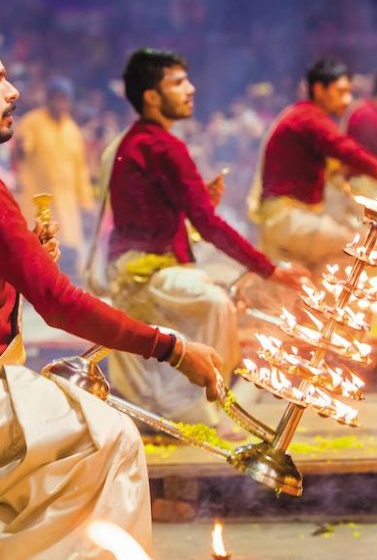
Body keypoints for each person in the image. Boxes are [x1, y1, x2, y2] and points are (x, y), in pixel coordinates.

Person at [0, 57, 225, 558]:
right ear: (151, 95)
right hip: (128, 283)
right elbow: (59, 303)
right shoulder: (150, 143)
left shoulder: (126, 143)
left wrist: (22, 256)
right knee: (115, 439)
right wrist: (171, 347)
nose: (14, 90)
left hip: (124, 269)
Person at [100, 48, 304, 428]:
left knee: (217, 294)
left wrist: (194, 206)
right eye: (178, 83)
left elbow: (158, 217)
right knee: (215, 303)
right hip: (143, 274)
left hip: (143, 266)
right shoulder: (161, 145)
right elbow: (208, 226)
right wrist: (270, 270)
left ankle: (197, 401)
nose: (190, 89)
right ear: (151, 96)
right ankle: (202, 406)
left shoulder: (138, 142)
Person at [250, 58, 377, 268]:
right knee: (361, 246)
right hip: (289, 220)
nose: (347, 99)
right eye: (340, 92)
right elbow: (346, 150)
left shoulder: (305, 115)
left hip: (294, 219)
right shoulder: (309, 118)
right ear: (319, 89)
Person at [12, 76, 94, 279]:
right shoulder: (32, 122)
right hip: (38, 203)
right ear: (48, 100)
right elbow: (22, 151)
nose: (60, 104)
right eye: (56, 99)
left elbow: (80, 170)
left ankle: (68, 297)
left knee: (68, 254)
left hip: (67, 207)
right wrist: (21, 148)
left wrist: (86, 203)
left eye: (64, 99)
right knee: (37, 251)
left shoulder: (72, 130)